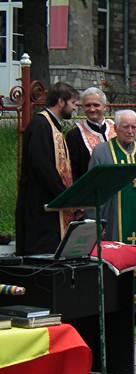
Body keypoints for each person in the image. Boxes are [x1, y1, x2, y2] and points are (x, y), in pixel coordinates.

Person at [88, 109, 136, 327]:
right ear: (115, 128)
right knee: (114, 261)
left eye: (134, 127)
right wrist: (96, 221)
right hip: (113, 220)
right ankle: (116, 309)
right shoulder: (102, 153)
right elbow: (92, 189)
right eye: (126, 127)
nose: (130, 131)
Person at [15, 82, 79, 255]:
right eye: (73, 103)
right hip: (41, 206)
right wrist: (64, 196)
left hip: (50, 204)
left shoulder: (52, 125)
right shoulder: (41, 125)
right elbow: (42, 166)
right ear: (61, 102)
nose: (75, 108)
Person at [66, 87, 116, 182]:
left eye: (96, 105)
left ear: (105, 107)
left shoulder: (117, 128)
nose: (92, 109)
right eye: (87, 105)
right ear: (83, 108)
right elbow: (73, 170)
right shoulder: (74, 135)